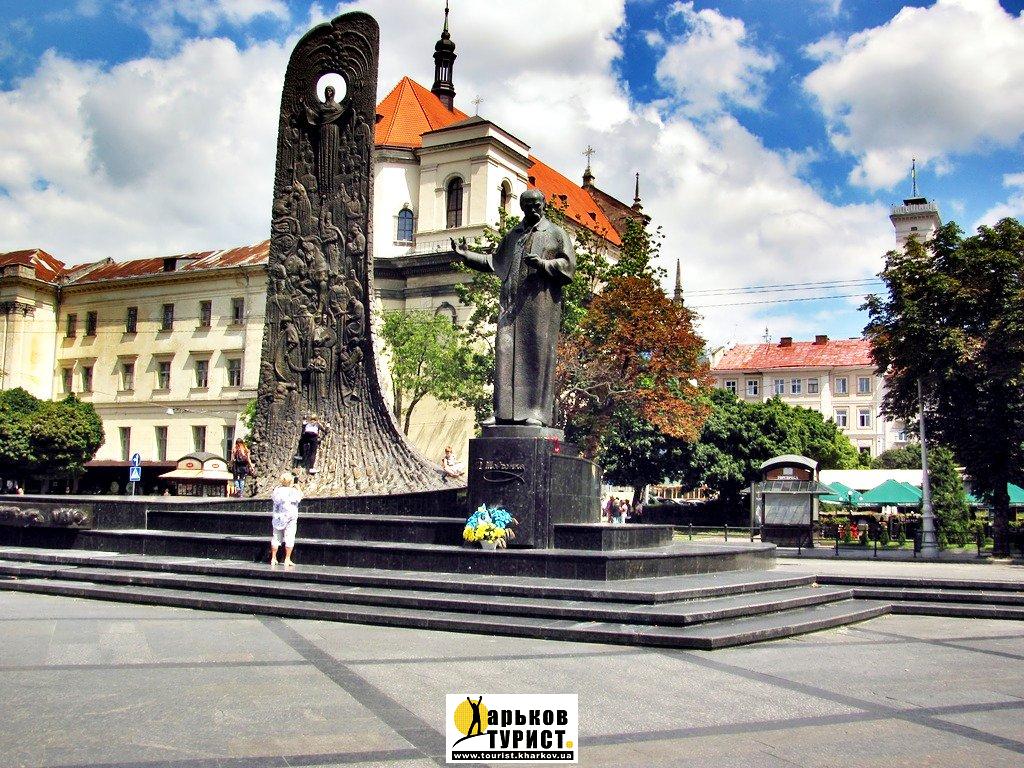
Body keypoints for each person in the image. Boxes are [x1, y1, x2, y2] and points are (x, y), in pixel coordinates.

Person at [452, 189, 575, 426]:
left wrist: (543, 264)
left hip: (540, 306)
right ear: (522, 208)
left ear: (544, 205)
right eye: (528, 206)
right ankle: (502, 412)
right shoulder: (514, 235)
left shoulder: (556, 233)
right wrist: (466, 255)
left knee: (536, 354)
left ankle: (537, 413)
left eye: (536, 205)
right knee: (504, 353)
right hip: (510, 306)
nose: (533, 209)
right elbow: (494, 261)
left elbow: (568, 266)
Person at [270, 472, 302, 567]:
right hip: (290, 516)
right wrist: (298, 488)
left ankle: (273, 558)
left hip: (278, 516)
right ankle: (287, 559)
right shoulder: (293, 491)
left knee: (276, 537)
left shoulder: (277, 490)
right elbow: (299, 498)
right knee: (290, 537)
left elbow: (274, 498)